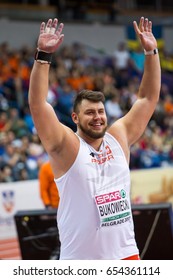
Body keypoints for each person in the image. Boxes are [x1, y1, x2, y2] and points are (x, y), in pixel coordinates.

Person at [28, 17, 161, 260]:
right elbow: (38, 106)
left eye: (100, 111)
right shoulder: (67, 146)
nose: (97, 117)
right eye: (89, 112)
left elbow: (147, 99)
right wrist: (44, 55)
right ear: (75, 118)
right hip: (81, 262)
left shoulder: (118, 138)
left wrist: (151, 52)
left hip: (126, 256)